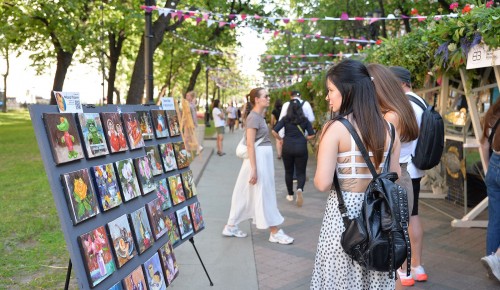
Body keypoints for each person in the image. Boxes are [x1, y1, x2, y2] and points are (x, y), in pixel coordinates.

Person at [311, 59, 401, 289]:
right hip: (380, 220)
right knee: (375, 279)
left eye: (330, 90)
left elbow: (322, 183)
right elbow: (395, 175)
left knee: (339, 281)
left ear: (347, 90)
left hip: (344, 222)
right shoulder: (389, 129)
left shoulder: (336, 128)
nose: (327, 97)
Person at [368, 64, 419, 287]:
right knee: (395, 245)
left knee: (390, 250)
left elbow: (381, 157)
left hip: (392, 178)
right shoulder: (402, 108)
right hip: (402, 176)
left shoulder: (390, 116)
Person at [222, 87, 294, 245]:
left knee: (245, 192)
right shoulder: (254, 118)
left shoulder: (258, 117)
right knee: (264, 193)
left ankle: (231, 225)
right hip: (258, 161)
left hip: (260, 161)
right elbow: (249, 144)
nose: (268, 98)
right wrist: (254, 169)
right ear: (257, 99)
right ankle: (274, 231)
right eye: (265, 96)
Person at [390, 65, 429, 285]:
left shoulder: (405, 105)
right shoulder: (422, 102)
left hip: (406, 167)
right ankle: (417, 266)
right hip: (418, 166)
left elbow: (401, 139)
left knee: (401, 218)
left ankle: (404, 269)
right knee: (413, 214)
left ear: (402, 83)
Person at [272, 99, 315, 207]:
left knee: (288, 172)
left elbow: (274, 131)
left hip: (287, 147)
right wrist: (305, 138)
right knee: (301, 172)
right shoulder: (305, 120)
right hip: (301, 148)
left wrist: (280, 139)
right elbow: (312, 134)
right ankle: (299, 189)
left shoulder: (285, 119)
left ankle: (290, 194)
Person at [479, 98, 500, 282]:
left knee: (495, 220)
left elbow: (484, 145)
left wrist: (488, 170)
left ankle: (492, 266)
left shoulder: (491, 116)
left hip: (493, 165)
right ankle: (496, 260)